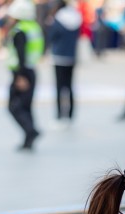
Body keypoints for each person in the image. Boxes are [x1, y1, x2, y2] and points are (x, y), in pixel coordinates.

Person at [5, 0, 43, 151]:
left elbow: (20, 54)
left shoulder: (20, 30)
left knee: (14, 106)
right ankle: (29, 139)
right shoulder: (34, 27)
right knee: (26, 107)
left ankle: (31, 131)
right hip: (31, 70)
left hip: (21, 72)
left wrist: (20, 77)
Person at [47, 0, 81, 128]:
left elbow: (52, 37)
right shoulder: (76, 17)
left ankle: (60, 116)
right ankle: (71, 115)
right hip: (71, 56)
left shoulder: (57, 19)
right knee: (70, 86)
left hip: (59, 56)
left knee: (59, 87)